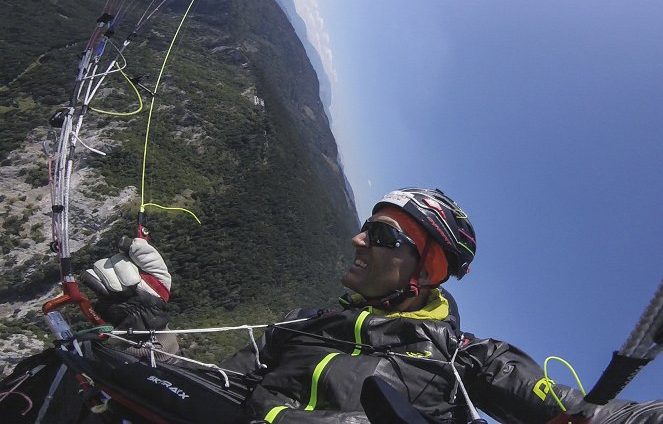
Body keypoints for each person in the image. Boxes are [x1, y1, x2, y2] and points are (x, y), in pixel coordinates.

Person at [3, 188, 662, 423]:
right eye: (365, 225)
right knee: (78, 364)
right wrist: (147, 329)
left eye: (380, 235)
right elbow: (224, 390)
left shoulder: (460, 361)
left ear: (424, 270)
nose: (357, 238)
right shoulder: (305, 326)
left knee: (77, 364)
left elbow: (585, 413)